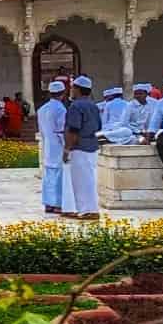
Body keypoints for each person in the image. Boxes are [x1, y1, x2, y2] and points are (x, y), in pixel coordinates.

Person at [62, 75, 101, 220]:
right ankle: (89, 208)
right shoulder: (93, 105)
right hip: (92, 145)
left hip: (79, 147)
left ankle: (87, 210)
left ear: (77, 89)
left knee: (81, 181)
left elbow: (73, 129)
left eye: (73, 88)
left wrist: (67, 149)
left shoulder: (76, 106)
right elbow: (99, 126)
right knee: (89, 178)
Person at [37, 80, 69, 214]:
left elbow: (42, 130)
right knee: (58, 175)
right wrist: (67, 147)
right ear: (63, 93)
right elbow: (61, 129)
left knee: (48, 175)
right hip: (57, 145)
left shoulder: (42, 109)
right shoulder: (60, 109)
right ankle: (57, 204)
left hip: (47, 144)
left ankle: (48, 203)